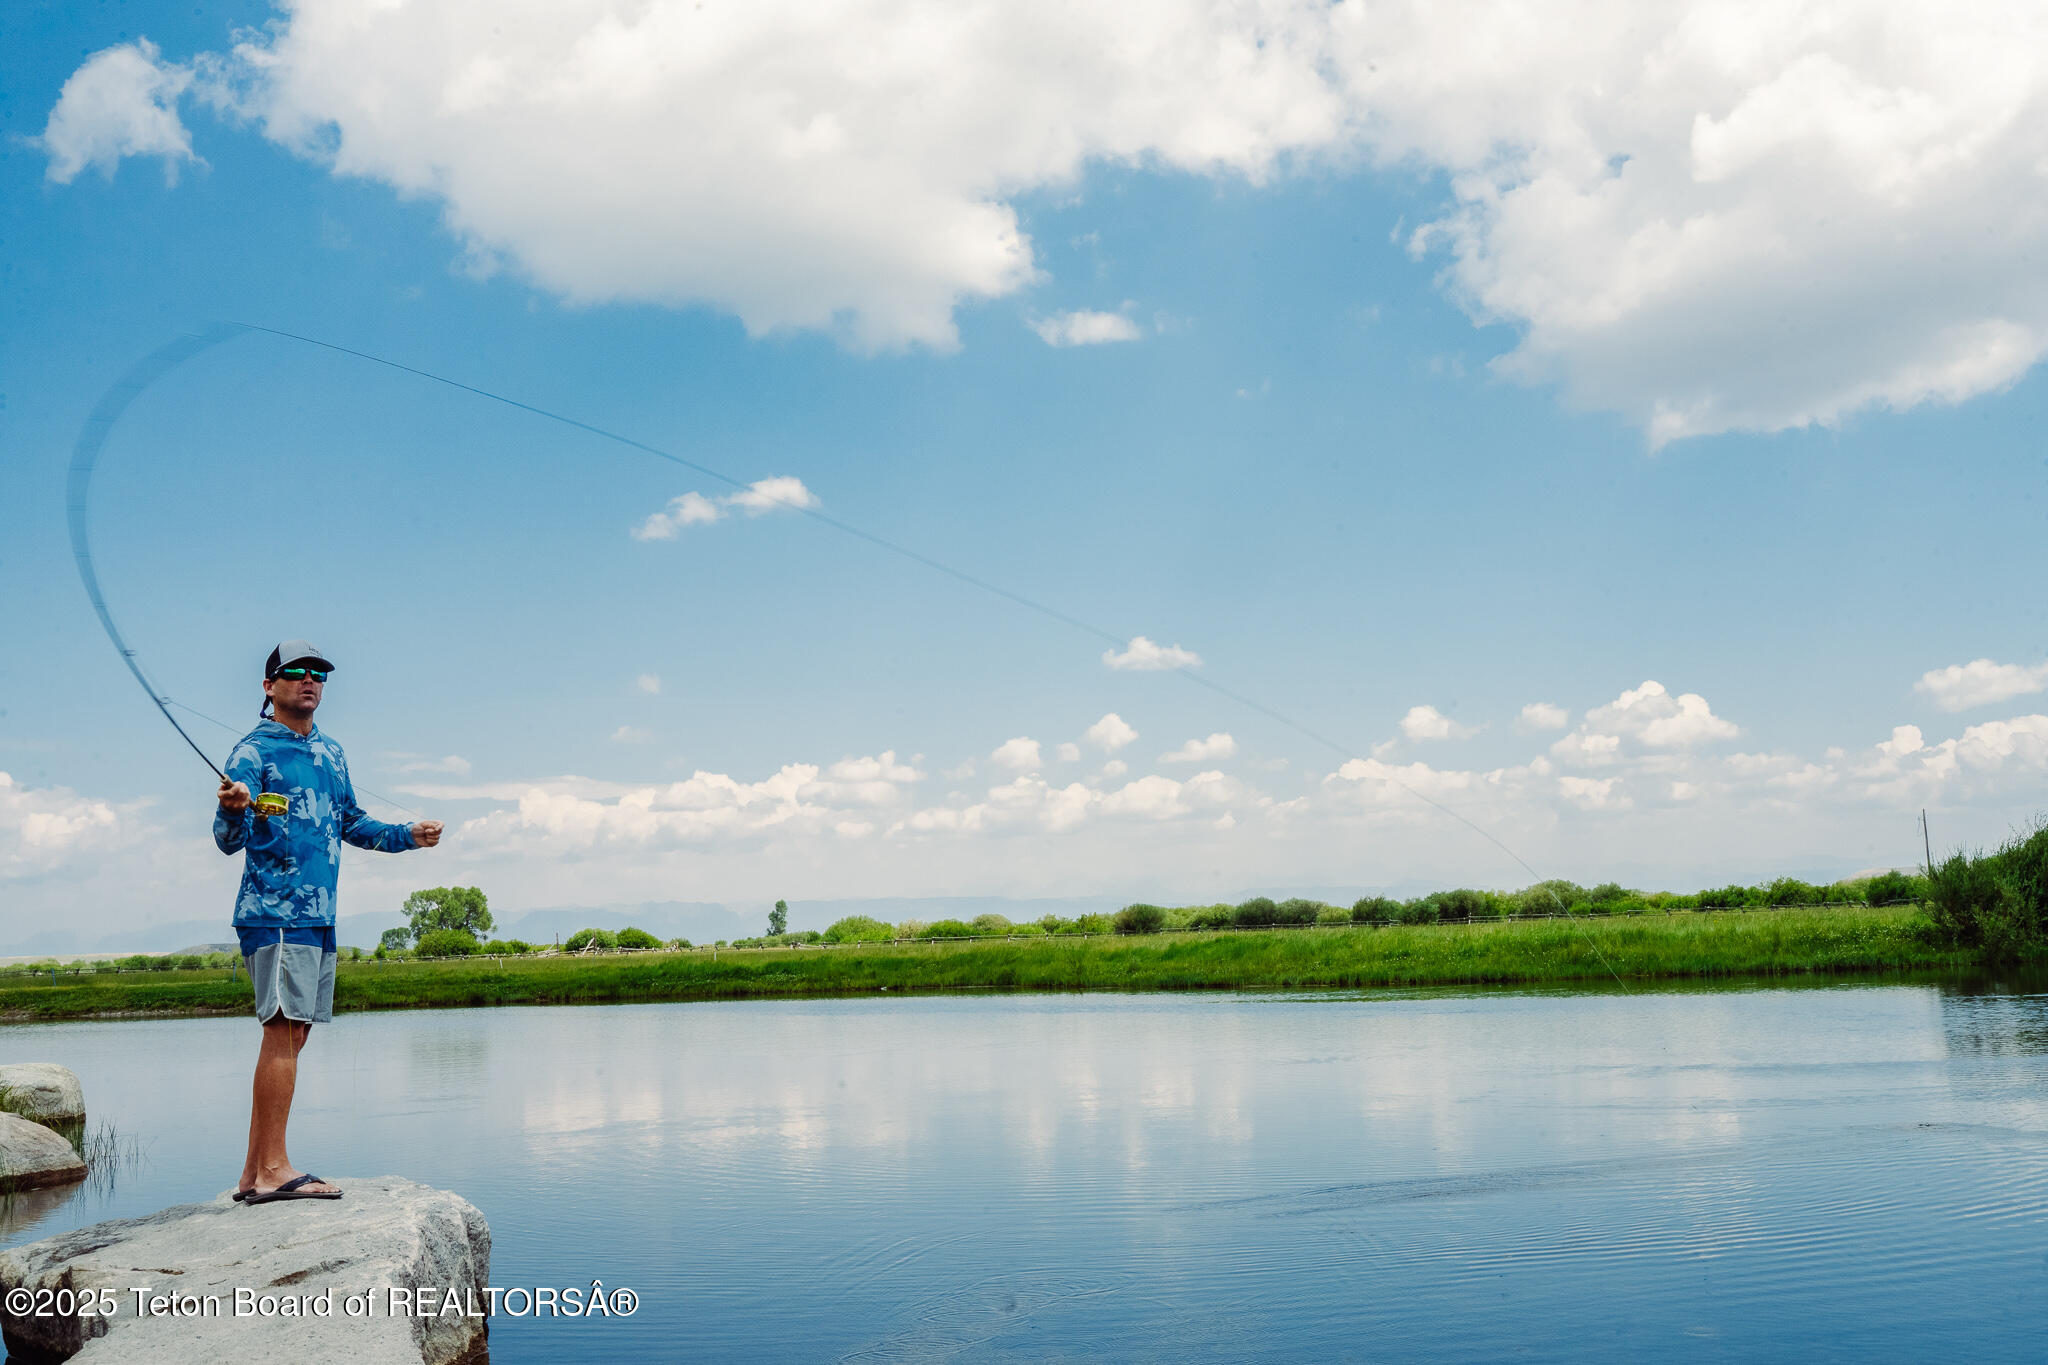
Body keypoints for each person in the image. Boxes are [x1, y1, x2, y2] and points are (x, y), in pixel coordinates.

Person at [213, 640, 442, 1204]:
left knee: (295, 1032)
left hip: (319, 917)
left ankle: (254, 1173)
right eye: (295, 673)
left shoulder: (332, 753)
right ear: (270, 686)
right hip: (274, 914)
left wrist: (407, 837)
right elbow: (226, 841)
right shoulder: (251, 753)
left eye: (319, 674)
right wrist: (233, 807)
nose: (309, 681)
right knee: (283, 1029)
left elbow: (352, 823)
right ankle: (274, 1169)